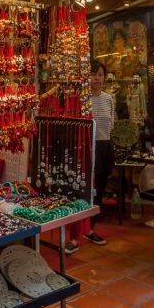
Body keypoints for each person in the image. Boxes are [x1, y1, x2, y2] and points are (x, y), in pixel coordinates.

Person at [65, 61, 114, 253]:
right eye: (93, 74)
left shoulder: (109, 99)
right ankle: (74, 238)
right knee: (81, 192)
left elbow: (111, 125)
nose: (96, 78)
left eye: (100, 74)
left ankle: (91, 230)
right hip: (85, 147)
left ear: (105, 77)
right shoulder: (81, 99)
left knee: (98, 192)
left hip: (104, 147)